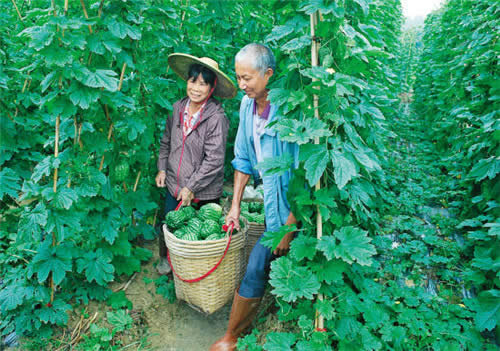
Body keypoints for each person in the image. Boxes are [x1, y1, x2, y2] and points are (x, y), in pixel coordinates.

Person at [210, 44, 299, 351]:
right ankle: (234, 336)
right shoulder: (247, 107)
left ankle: (232, 337)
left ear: (268, 74)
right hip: (272, 207)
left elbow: (305, 176)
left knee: (259, 263)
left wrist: (289, 225)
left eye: (247, 77)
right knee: (259, 263)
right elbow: (243, 161)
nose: (242, 84)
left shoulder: (291, 112)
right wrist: (234, 206)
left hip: (295, 210)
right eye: (238, 77)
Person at [155, 54, 237, 275]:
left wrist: (191, 187)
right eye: (193, 81)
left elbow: (214, 161)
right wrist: (162, 167)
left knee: (198, 239)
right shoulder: (177, 109)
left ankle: (192, 275)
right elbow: (166, 141)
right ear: (186, 82)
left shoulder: (216, 118)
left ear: (211, 88)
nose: (196, 88)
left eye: (203, 83)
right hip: (174, 183)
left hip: (203, 191)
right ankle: (166, 262)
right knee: (171, 225)